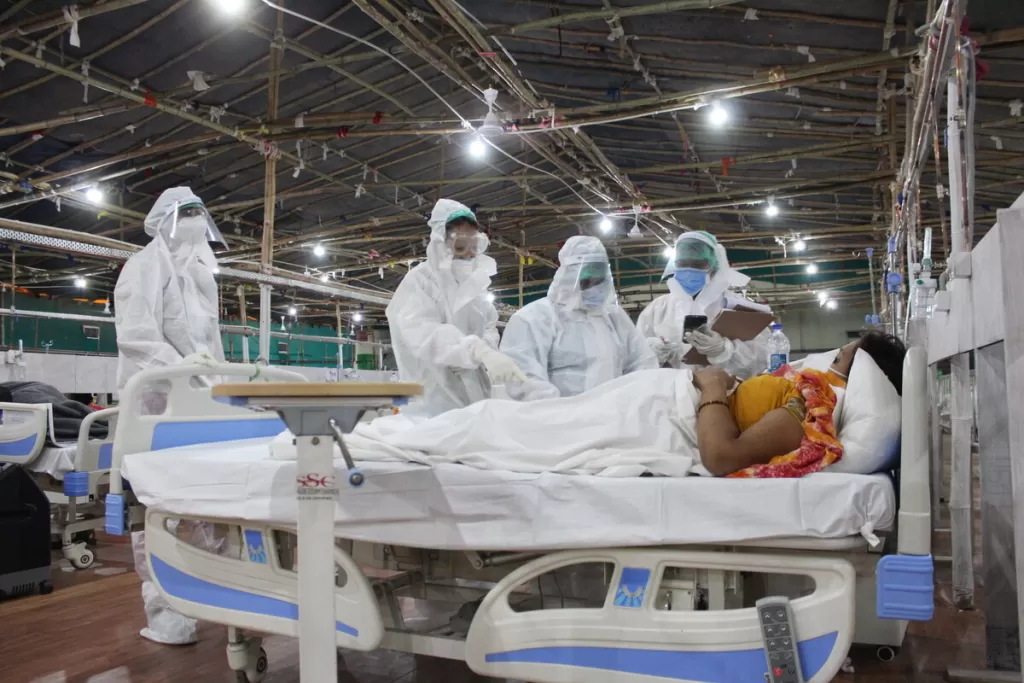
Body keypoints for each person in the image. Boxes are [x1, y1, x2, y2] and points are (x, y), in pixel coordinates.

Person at [114, 186, 226, 645]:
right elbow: (137, 336)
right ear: (168, 221)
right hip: (156, 403)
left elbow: (213, 344)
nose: (200, 220)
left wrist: (223, 387)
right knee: (155, 507)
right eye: (191, 212)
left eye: (204, 211)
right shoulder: (142, 267)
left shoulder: (203, 276)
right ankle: (160, 608)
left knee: (207, 504)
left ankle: (219, 585)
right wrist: (180, 367)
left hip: (200, 401)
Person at [693, 331, 906, 476]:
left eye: (837, 360)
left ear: (860, 376)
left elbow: (721, 458)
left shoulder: (813, 408)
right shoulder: (805, 390)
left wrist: (713, 385)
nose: (827, 363)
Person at [387, 199, 526, 417]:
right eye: (461, 247)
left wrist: (487, 351)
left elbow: (489, 324)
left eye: (474, 246)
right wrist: (476, 350)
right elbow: (426, 334)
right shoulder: (420, 282)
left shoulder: (474, 286)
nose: (469, 254)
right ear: (441, 243)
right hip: (431, 396)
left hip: (475, 393)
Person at [500, 236, 657, 401]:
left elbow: (643, 362)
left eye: (600, 280)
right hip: (560, 421)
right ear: (569, 277)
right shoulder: (535, 318)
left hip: (614, 418)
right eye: (588, 281)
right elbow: (523, 376)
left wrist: (633, 401)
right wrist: (560, 413)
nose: (595, 287)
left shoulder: (614, 317)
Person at [636, 231, 771, 379]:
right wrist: (652, 353)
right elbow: (634, 362)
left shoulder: (736, 307)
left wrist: (724, 350)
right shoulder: (658, 308)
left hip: (726, 396)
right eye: (682, 264)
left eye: (698, 264)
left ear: (715, 265)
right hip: (671, 395)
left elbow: (763, 360)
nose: (689, 270)